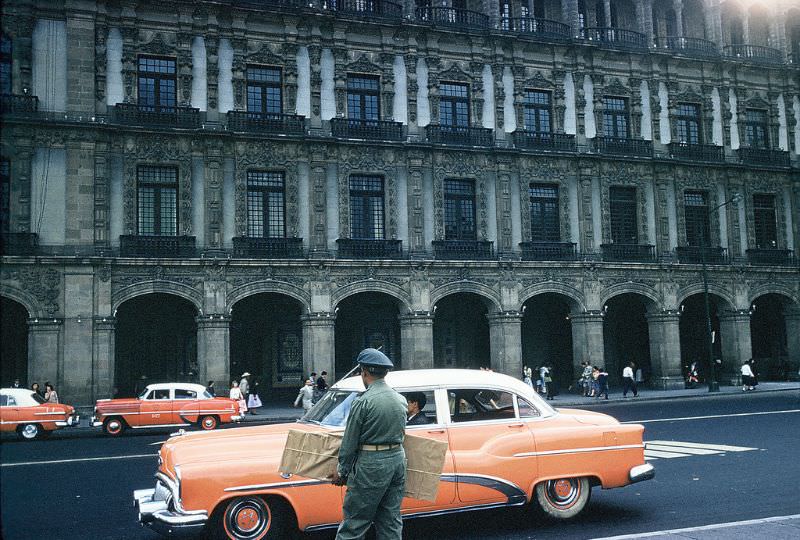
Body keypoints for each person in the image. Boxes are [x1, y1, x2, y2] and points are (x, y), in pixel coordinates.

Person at [330, 348, 407, 540]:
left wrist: (342, 471)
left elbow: (350, 442)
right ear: (385, 373)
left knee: (355, 523)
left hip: (372, 465)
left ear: (364, 372)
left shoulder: (363, 401)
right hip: (397, 461)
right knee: (390, 520)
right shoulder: (400, 399)